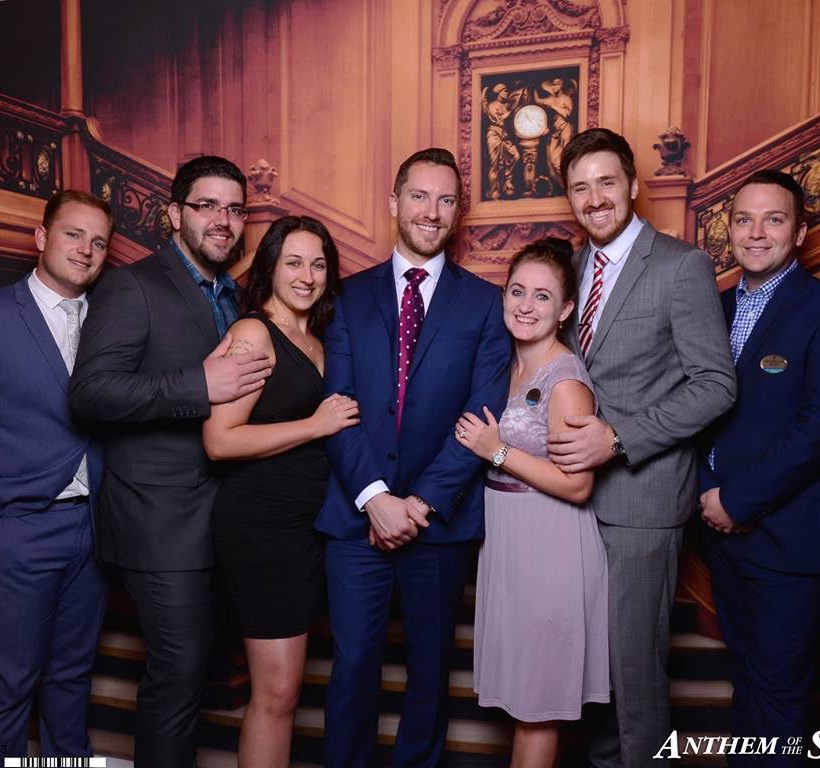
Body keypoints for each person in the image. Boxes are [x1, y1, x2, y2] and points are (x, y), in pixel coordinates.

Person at [68, 156, 272, 768]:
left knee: (199, 674)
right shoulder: (133, 286)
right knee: (178, 677)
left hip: (220, 519)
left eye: (235, 209)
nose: (224, 220)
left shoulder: (233, 295)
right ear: (175, 213)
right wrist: (196, 385)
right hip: (157, 522)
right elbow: (90, 393)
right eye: (208, 206)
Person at [545, 128, 737, 767]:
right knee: (592, 671)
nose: (595, 198)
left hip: (642, 498)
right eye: (580, 187)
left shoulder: (681, 266)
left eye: (606, 182)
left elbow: (715, 386)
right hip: (569, 498)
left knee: (634, 668)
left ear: (632, 186)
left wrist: (620, 437)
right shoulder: (568, 268)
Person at [316, 147, 512, 767]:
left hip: (440, 523)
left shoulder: (486, 303)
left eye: (447, 199)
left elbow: (482, 416)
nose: (432, 211)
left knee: (429, 675)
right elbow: (338, 405)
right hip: (355, 520)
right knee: (352, 671)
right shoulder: (346, 297)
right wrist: (376, 499)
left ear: (459, 212)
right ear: (394, 202)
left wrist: (419, 503)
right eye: (421, 196)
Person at [699, 170, 820, 763]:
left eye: (773, 220)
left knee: (780, 697)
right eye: (743, 219)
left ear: (799, 232)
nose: (755, 233)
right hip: (721, 533)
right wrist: (707, 494)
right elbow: (689, 411)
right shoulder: (713, 309)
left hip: (791, 539)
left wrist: (736, 500)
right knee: (747, 682)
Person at [0, 190, 113, 766]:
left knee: (70, 686)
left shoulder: (111, 324)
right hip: (16, 534)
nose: (85, 250)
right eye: (72, 234)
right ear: (41, 238)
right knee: (7, 690)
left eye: (99, 242)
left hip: (91, 535)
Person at [203, 215, 358, 768]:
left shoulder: (316, 336)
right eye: (294, 261)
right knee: (276, 693)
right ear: (270, 265)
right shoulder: (253, 333)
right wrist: (315, 426)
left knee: (284, 692)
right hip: (261, 529)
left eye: (319, 263)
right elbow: (220, 440)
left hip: (307, 527)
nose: (308, 275)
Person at [455, 237, 609, 768]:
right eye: (516, 292)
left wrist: (494, 451)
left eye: (542, 297)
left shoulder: (565, 382)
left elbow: (578, 485)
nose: (526, 305)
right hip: (510, 538)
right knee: (524, 695)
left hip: (552, 544)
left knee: (537, 706)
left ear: (566, 309)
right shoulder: (506, 365)